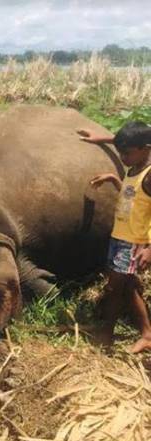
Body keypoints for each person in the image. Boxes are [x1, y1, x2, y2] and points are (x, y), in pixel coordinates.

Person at [80, 122, 151, 353]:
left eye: (127, 153)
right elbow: (134, 198)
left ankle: (107, 331)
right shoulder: (134, 168)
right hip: (119, 236)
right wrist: (113, 178)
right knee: (127, 286)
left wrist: (148, 247)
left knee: (116, 287)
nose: (122, 157)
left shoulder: (149, 175)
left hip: (134, 242)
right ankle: (147, 334)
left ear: (145, 148)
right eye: (120, 152)